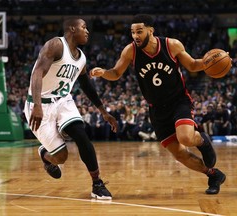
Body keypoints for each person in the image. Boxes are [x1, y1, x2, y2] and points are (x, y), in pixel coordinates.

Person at [90, 14, 226, 194]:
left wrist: (215, 61)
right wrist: (103, 73)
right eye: (132, 32)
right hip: (156, 109)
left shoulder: (171, 45)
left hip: (179, 101)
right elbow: (115, 73)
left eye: (139, 31)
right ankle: (213, 175)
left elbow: (193, 65)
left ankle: (203, 141)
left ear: (150, 30)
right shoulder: (130, 51)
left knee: (185, 137)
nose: (135, 36)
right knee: (179, 154)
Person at [23, 17, 118, 200]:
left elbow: (86, 85)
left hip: (63, 102)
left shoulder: (81, 57)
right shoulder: (56, 45)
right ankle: (45, 155)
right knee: (61, 157)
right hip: (39, 104)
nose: (87, 31)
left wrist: (103, 112)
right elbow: (37, 73)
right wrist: (36, 104)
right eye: (84, 27)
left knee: (82, 137)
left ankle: (97, 184)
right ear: (73, 29)